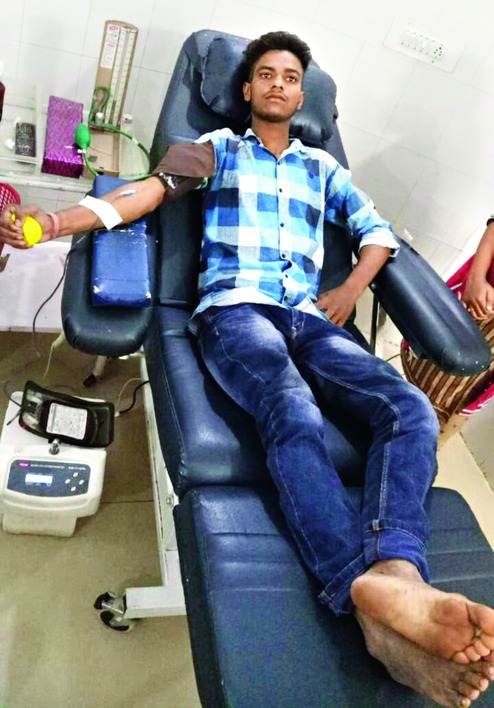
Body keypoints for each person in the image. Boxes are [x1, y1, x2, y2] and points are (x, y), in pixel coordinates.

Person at [2, 31, 494, 707]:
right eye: (266, 74)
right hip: (236, 313)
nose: (278, 84)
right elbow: (145, 194)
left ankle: (398, 576)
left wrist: (350, 289)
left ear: (301, 95)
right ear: (246, 89)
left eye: (290, 77)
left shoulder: (323, 168)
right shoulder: (215, 149)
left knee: (409, 409)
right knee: (290, 405)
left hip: (310, 319)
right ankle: (366, 601)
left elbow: (378, 234)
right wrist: (55, 224)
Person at [401, 220, 494, 446]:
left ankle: (422, 448)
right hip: (480, 297)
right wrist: (475, 279)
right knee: (427, 368)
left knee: (462, 402)